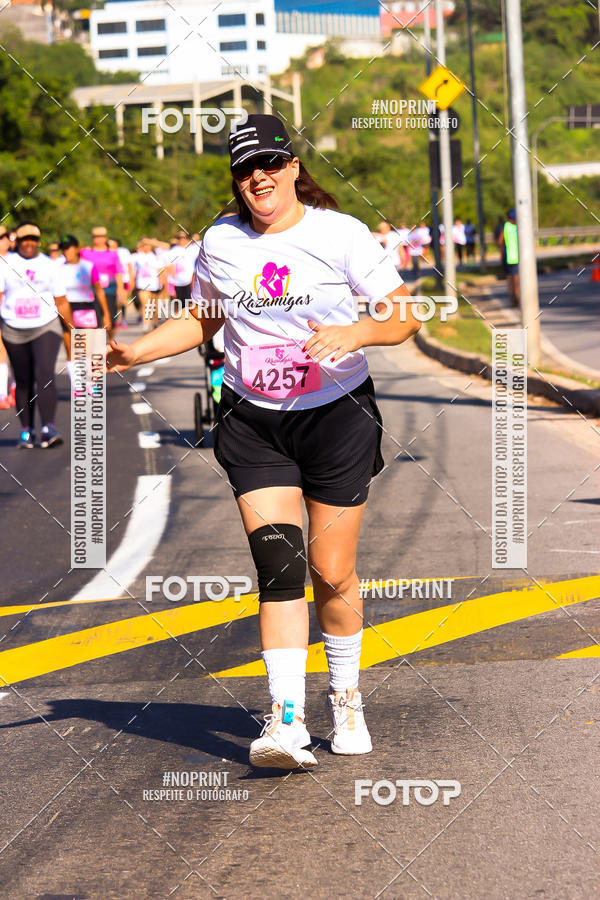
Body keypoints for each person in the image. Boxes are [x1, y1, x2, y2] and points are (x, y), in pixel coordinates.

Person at [106, 113, 420, 770]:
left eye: (272, 164)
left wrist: (355, 334)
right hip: (256, 421)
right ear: (236, 179)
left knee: (330, 571)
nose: (260, 178)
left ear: (294, 168)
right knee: (279, 567)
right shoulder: (221, 240)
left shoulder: (340, 235)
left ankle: (347, 697)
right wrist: (136, 352)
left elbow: (402, 315)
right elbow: (204, 316)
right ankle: (285, 721)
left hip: (336, 416)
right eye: (247, 169)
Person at [0, 222, 73, 448]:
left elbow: (60, 300)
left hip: (46, 325)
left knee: (44, 373)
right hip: (13, 327)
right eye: (24, 239)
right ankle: (26, 429)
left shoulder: (50, 265)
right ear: (17, 242)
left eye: (33, 239)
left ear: (39, 241)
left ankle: (48, 428)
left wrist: (72, 328)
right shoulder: (5, 264)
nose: (29, 243)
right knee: (23, 380)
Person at [58, 234, 111, 335]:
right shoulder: (59, 268)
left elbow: (99, 291)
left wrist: (106, 315)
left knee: (86, 348)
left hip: (86, 308)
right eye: (63, 249)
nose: (65, 252)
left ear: (77, 249)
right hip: (66, 309)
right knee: (71, 349)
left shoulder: (88, 266)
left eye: (68, 248)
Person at [81, 227, 125, 330]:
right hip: (91, 290)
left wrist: (120, 289)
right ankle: (97, 343)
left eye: (101, 237)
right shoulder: (85, 253)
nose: (99, 240)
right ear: (93, 238)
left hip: (109, 289)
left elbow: (118, 272)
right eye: (96, 237)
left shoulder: (113, 254)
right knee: (95, 320)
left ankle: (109, 340)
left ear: (105, 238)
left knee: (110, 321)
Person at [132, 238, 164, 330]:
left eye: (148, 245)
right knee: (145, 304)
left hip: (154, 284)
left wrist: (162, 282)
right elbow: (133, 270)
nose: (146, 247)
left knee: (153, 305)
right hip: (142, 284)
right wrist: (132, 282)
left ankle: (155, 322)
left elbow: (160, 270)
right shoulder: (137, 256)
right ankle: (145, 323)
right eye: (144, 245)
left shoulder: (156, 256)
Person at [0, 225, 16, 409]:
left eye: (3, 237)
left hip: (15, 313)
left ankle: (14, 386)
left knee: (16, 353)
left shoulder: (16, 261)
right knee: (1, 352)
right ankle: (3, 394)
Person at [166, 231, 200, 305]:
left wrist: (194, 238)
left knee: (189, 305)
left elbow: (199, 239)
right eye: (179, 238)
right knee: (178, 306)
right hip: (177, 283)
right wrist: (171, 283)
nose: (181, 240)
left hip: (189, 282)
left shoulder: (193, 248)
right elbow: (170, 267)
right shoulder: (174, 250)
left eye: (183, 237)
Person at [108, 238, 134, 328]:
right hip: (111, 280)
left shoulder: (124, 252)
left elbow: (130, 266)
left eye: (112, 244)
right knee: (114, 301)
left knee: (122, 300)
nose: (110, 246)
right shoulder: (106, 253)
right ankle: (114, 319)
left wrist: (131, 279)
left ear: (117, 244)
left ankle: (123, 319)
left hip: (124, 279)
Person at [498, 208, 519, 307]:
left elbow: (500, 241)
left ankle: (513, 297)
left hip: (509, 257)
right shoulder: (520, 226)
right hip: (519, 257)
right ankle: (517, 297)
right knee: (516, 280)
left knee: (511, 279)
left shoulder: (505, 226)